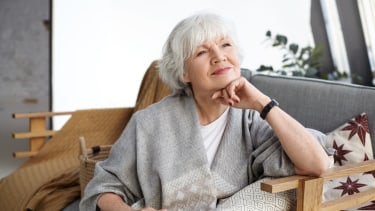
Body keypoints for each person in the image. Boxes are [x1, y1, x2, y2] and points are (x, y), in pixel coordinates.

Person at [80, 12, 332, 211]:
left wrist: (262, 102)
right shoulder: (149, 122)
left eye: (225, 45)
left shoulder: (251, 118)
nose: (219, 56)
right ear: (183, 73)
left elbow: (318, 165)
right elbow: (103, 185)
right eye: (202, 52)